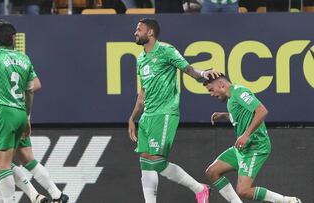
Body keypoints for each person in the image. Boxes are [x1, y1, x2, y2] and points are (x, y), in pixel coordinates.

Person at [0, 20, 67, 203]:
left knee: (2, 165)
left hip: (4, 114)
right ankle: (51, 195)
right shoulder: (24, 58)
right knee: (23, 158)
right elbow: (32, 88)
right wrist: (28, 116)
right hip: (21, 113)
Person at [128, 18, 220, 203]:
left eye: (139, 29)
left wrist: (203, 74)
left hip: (165, 113)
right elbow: (143, 92)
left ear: (150, 32)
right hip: (147, 116)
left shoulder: (166, 51)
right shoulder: (140, 59)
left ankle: (199, 188)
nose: (135, 32)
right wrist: (132, 118)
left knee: (157, 161)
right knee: (145, 161)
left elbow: (189, 70)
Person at [203, 74, 302, 203]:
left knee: (243, 190)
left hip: (256, 146)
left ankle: (287, 201)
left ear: (221, 84)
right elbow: (244, 115)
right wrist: (225, 115)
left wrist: (246, 135)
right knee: (212, 172)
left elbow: (262, 111)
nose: (211, 94)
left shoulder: (239, 92)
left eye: (211, 89)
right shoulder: (231, 99)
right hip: (242, 148)